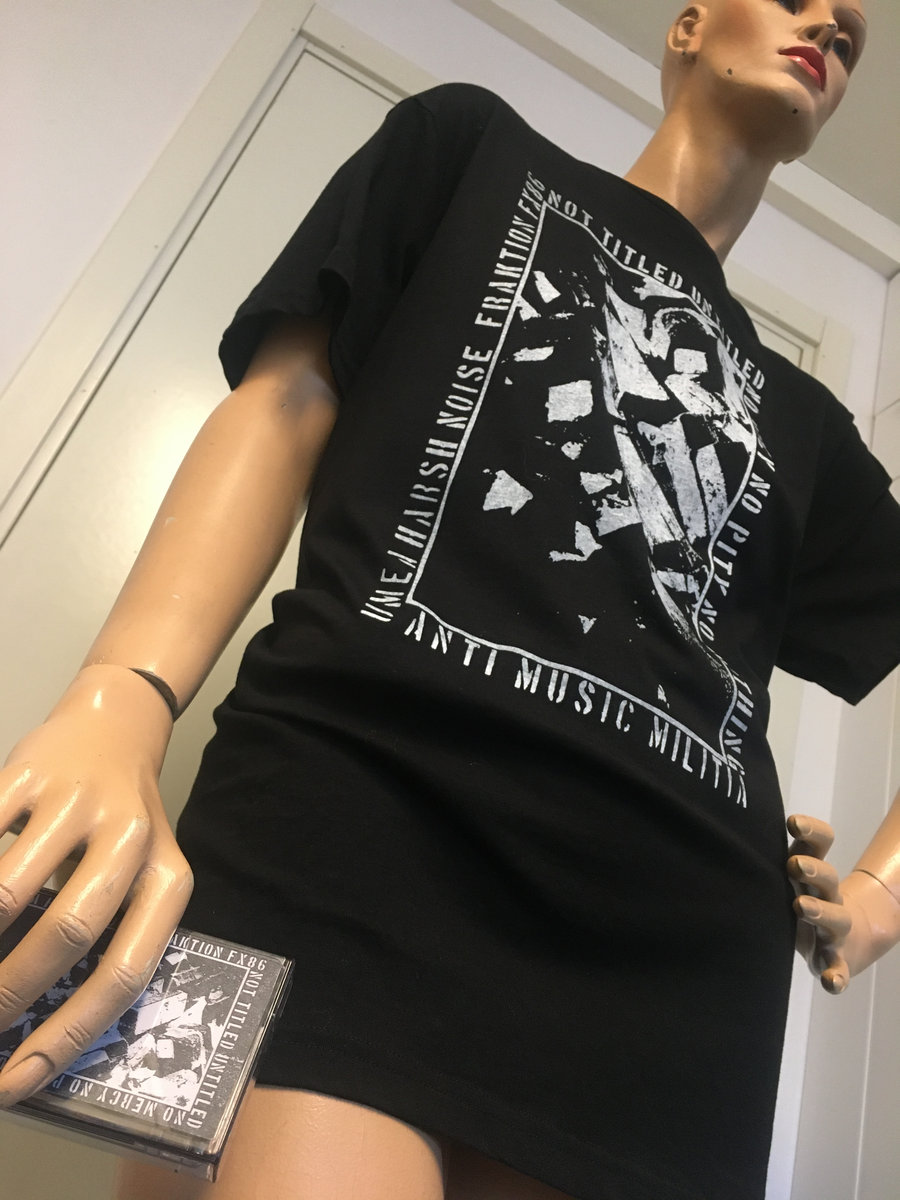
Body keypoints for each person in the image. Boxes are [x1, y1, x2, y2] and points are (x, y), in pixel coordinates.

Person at [0, 1, 897, 1197]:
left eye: (852, 36)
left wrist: (879, 895)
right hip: (351, 829)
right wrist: (124, 695)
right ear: (688, 26)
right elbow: (287, 402)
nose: (829, 24)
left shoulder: (809, 428)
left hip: (673, 956)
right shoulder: (471, 152)